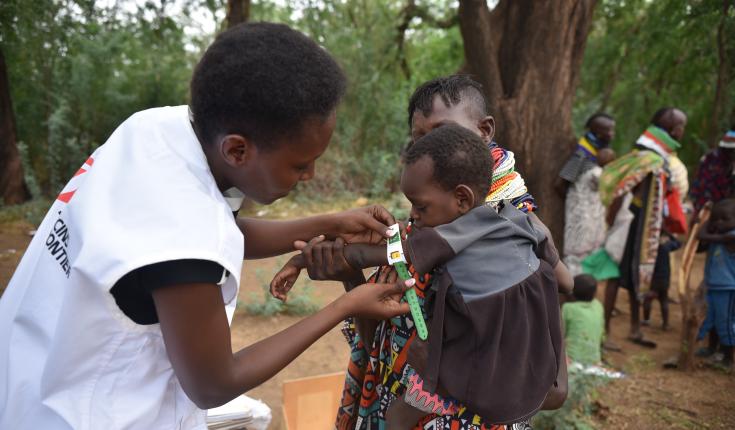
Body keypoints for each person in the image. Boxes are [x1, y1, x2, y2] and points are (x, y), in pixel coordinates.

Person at [0, 23, 414, 429]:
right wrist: (346, 305)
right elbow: (214, 384)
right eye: (300, 164)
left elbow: (218, 231)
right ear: (236, 149)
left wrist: (330, 220)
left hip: (30, 369)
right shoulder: (182, 235)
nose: (309, 175)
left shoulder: (158, 130)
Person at [273, 124, 569, 428]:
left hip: (462, 375)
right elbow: (565, 281)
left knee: (397, 416)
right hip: (520, 384)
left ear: (462, 199)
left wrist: (299, 259)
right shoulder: (518, 221)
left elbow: (369, 255)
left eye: (420, 205)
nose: (412, 215)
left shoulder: (443, 239)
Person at [599, 107, 688, 349]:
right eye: (680, 127)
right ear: (671, 130)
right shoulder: (647, 159)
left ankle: (635, 329)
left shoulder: (656, 158)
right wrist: (611, 220)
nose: (682, 131)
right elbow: (621, 190)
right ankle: (605, 332)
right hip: (631, 225)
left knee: (640, 276)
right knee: (615, 276)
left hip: (645, 227)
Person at [562, 147, 617, 276]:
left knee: (575, 253)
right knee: (582, 253)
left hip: (579, 218)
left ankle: (575, 286)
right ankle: (579, 286)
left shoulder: (588, 173)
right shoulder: (598, 174)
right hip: (588, 221)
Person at [695, 198, 735, 370]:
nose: (718, 222)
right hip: (714, 286)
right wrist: (708, 219)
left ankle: (728, 358)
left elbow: (701, 235)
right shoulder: (718, 236)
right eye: (715, 219)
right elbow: (699, 244)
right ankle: (711, 348)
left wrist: (705, 221)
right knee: (711, 319)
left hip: (728, 288)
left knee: (725, 322)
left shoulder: (730, 237)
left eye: (724, 219)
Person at [557, 112, 616, 196]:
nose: (613, 134)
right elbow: (560, 185)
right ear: (599, 134)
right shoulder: (582, 153)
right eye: (609, 130)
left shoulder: (600, 148)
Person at [690, 127, 735, 216]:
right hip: (706, 203)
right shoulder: (711, 159)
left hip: (721, 205)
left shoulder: (729, 162)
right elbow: (703, 183)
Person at [642, 231, 682, 330]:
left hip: (652, 277)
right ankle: (665, 324)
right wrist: (670, 235)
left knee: (648, 298)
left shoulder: (649, 245)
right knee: (664, 299)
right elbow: (678, 244)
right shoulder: (666, 245)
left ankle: (646, 320)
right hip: (664, 277)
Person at [563, 274, 605, 365]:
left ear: (572, 292)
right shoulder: (598, 306)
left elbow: (560, 334)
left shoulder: (568, 308)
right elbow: (601, 333)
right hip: (595, 360)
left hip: (571, 360)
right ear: (594, 294)